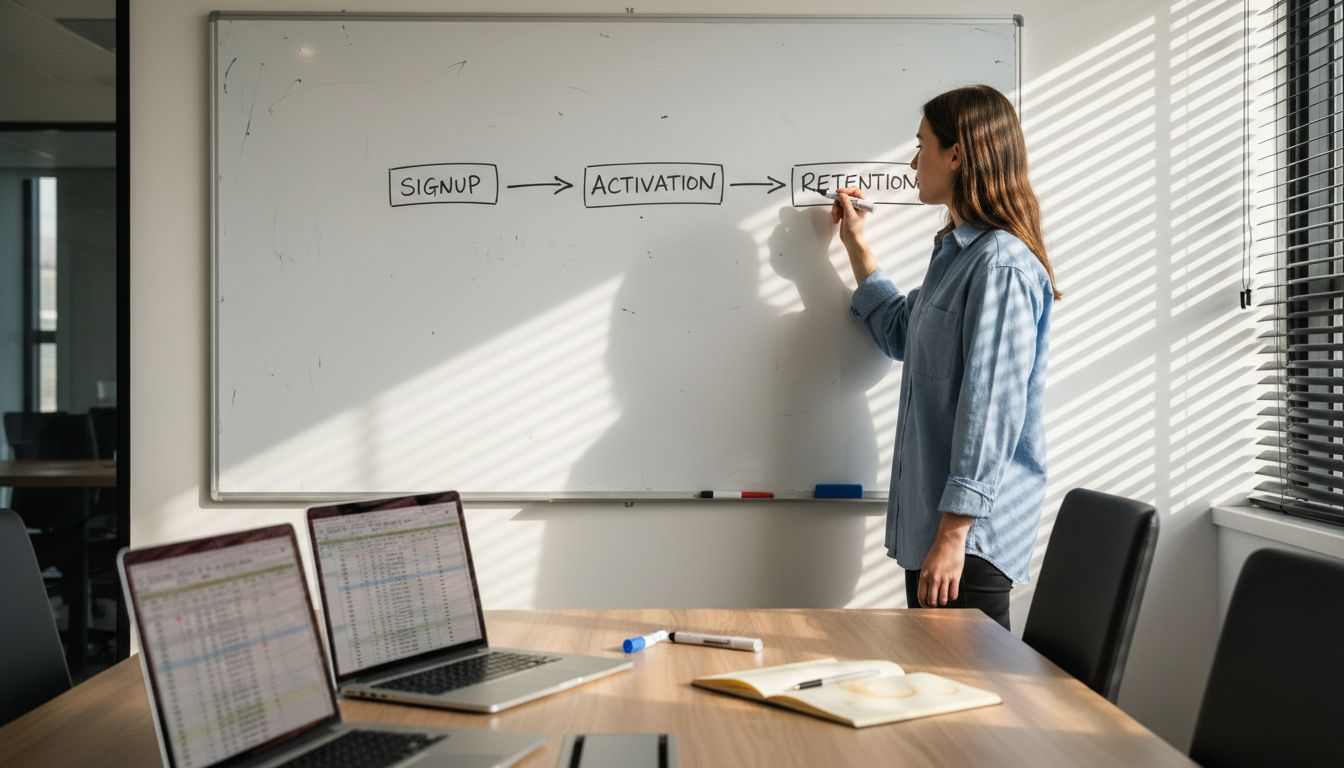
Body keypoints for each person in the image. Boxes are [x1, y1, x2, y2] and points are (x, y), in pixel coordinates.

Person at [830, 84, 1059, 630]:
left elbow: (991, 409)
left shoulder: (999, 265)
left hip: (966, 543)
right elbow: (900, 332)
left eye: (921, 145)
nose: (914, 163)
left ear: (956, 154)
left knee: (964, 683)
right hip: (941, 530)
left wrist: (954, 534)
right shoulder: (957, 257)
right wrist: (856, 245)